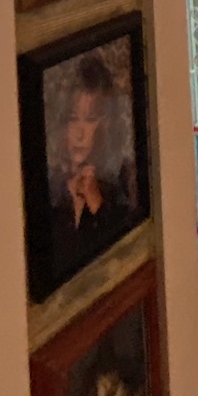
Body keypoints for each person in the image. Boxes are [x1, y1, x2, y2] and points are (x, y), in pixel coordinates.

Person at [48, 54, 138, 283]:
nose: (79, 132)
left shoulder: (122, 179)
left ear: (106, 124)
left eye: (89, 120)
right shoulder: (52, 188)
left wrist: (95, 202)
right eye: (73, 119)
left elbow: (124, 257)